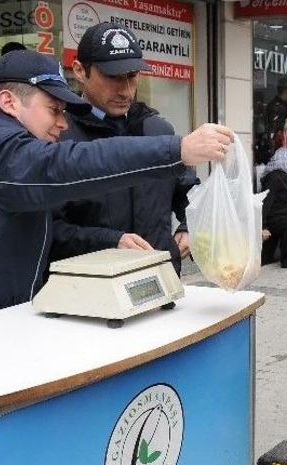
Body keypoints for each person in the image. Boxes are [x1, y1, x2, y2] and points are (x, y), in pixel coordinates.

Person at [0, 51, 232, 335]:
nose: (63, 124)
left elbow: (53, 228)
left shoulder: (1, 145)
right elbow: (67, 165)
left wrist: (109, 239)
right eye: (54, 110)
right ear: (8, 101)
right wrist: (179, 149)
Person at [52, 22, 196, 275]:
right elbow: (47, 229)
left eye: (132, 76)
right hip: (91, 288)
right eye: (113, 77)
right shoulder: (58, 137)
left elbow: (190, 194)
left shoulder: (158, 130)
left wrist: (189, 225)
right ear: (79, 70)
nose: (126, 90)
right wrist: (110, 241)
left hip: (161, 278)